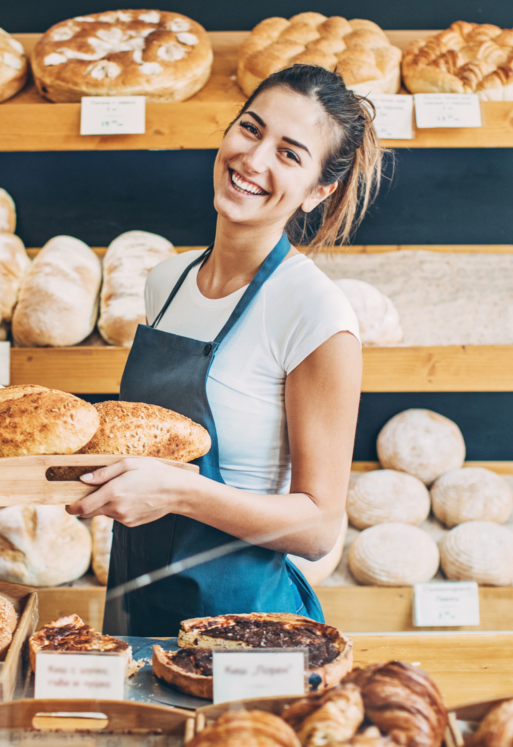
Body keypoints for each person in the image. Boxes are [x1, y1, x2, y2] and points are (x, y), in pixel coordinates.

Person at [67, 64, 386, 636]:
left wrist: (178, 491)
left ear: (319, 190)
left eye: (290, 154)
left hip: (247, 631)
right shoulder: (164, 282)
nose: (254, 160)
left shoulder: (316, 313)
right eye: (250, 129)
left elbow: (318, 527)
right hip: (138, 607)